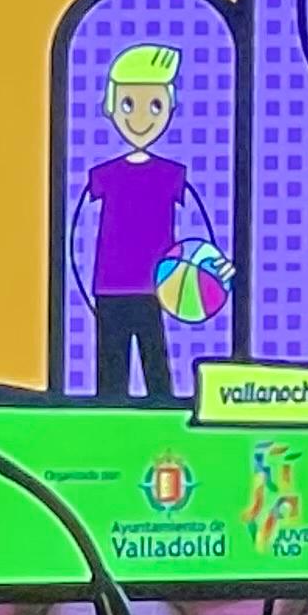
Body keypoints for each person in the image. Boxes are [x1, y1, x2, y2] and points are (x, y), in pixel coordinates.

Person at [67, 41, 219, 400]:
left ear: (169, 106)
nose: (140, 119)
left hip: (155, 286)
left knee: (157, 373)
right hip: (109, 284)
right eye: (128, 104)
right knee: (111, 378)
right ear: (111, 106)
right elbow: (73, 233)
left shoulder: (171, 174)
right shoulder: (104, 174)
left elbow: (203, 232)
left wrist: (213, 269)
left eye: (154, 105)